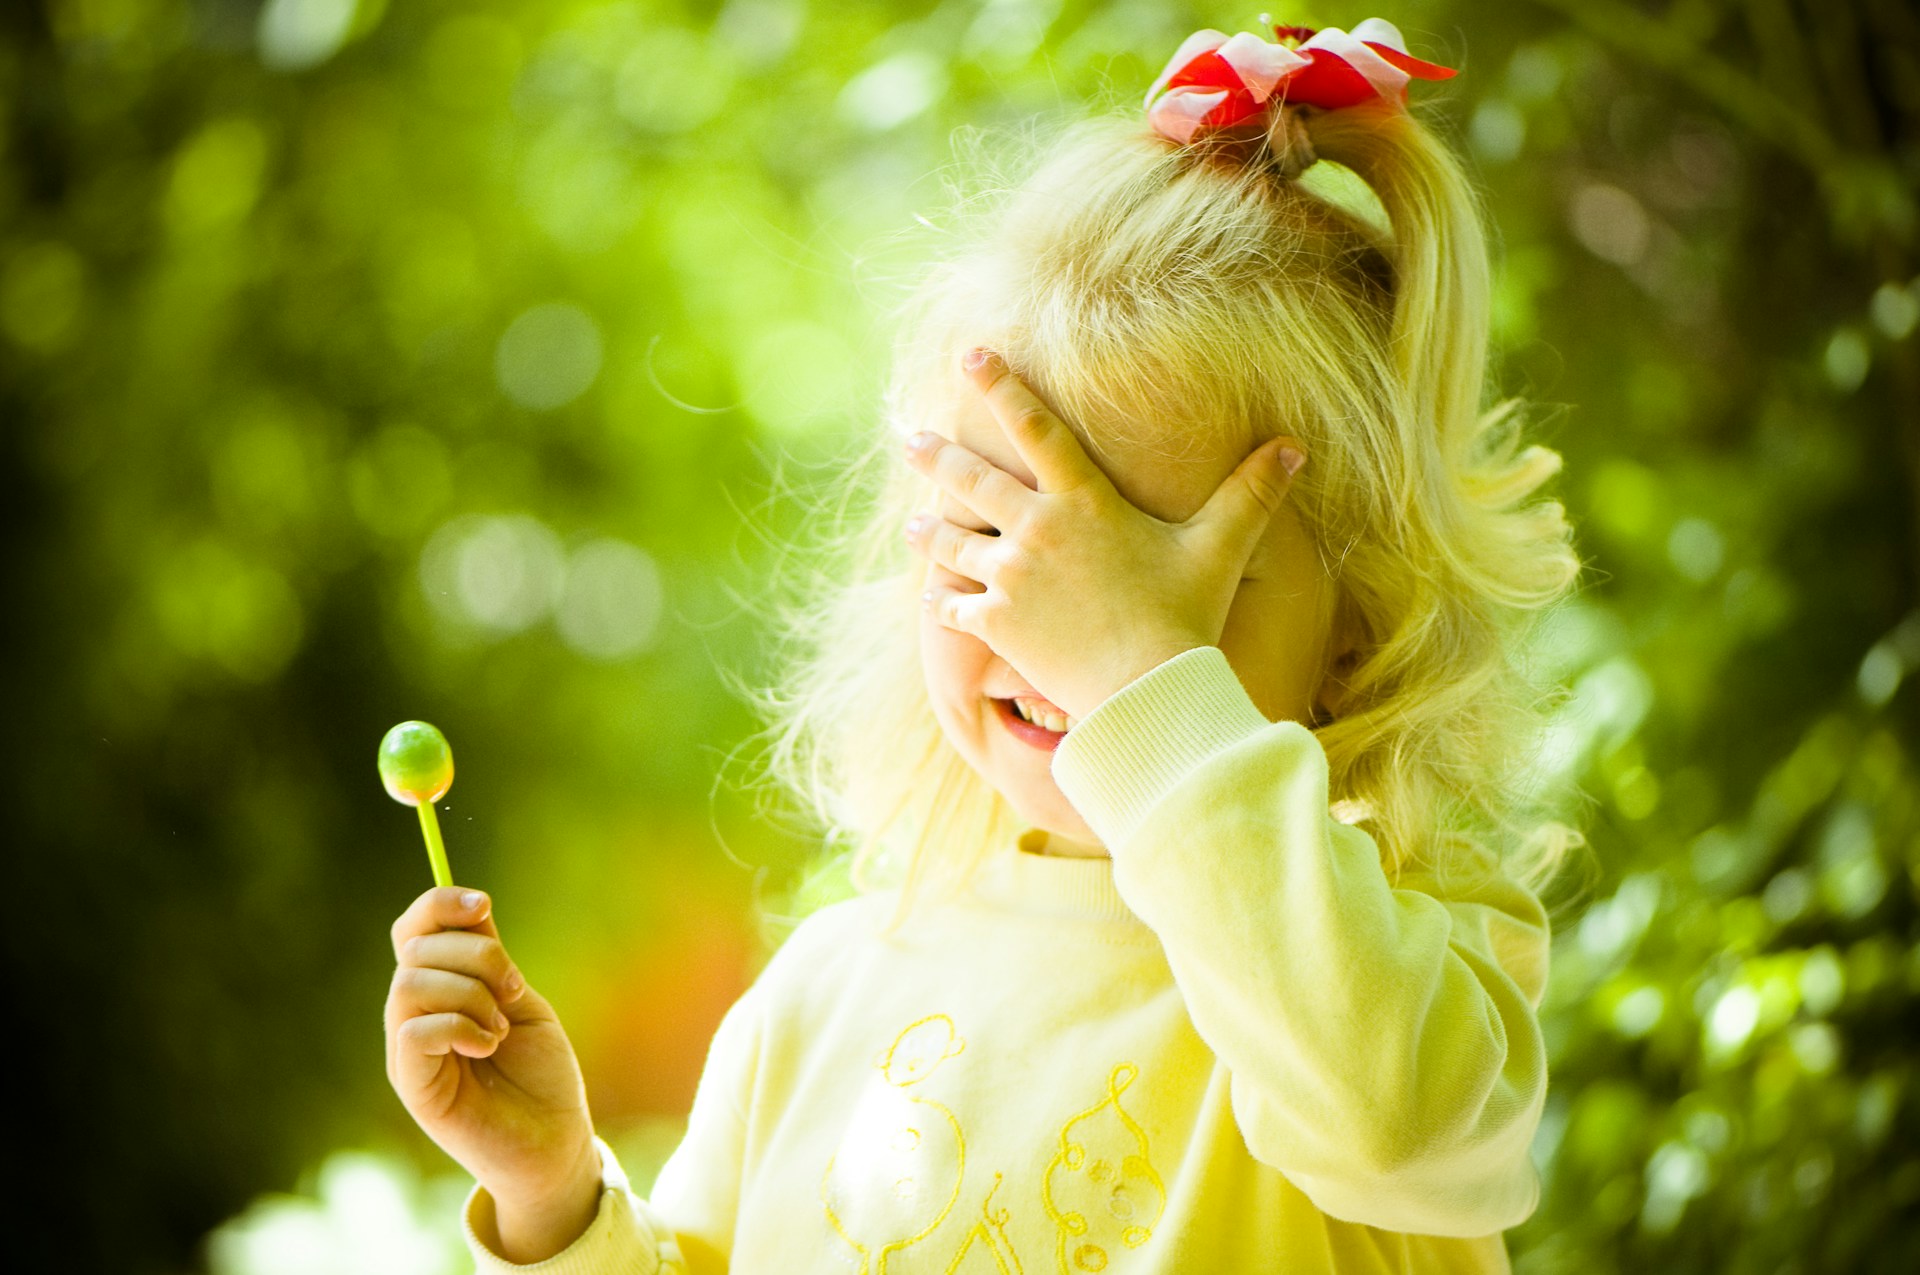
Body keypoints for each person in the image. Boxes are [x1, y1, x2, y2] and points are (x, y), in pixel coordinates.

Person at [385, 17, 1588, 1273]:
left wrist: (1144, 690)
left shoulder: (1394, 964)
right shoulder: (825, 992)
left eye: (1155, 580)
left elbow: (1399, 1129)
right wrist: (553, 1202)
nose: (1054, 629)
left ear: (1361, 629)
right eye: (993, 537)